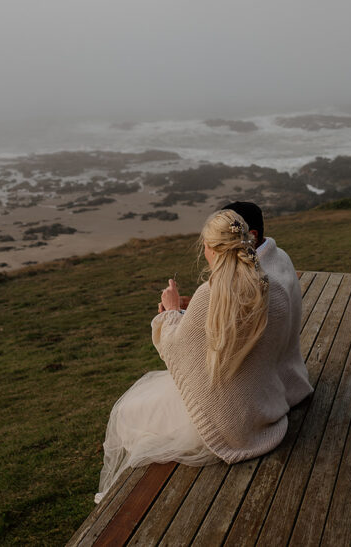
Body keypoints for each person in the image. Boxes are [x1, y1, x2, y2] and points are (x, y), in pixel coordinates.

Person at [94, 210, 313, 502]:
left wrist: (171, 311)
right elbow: (230, 333)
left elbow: (177, 349)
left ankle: (121, 498)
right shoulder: (269, 286)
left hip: (228, 420)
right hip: (263, 406)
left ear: (211, 249)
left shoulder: (209, 295)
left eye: (206, 246)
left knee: (129, 412)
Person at [222, 201, 310, 407]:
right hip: (292, 375)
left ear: (251, 235)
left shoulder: (254, 282)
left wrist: (171, 317)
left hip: (263, 393)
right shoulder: (280, 256)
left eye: (225, 236)